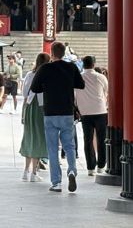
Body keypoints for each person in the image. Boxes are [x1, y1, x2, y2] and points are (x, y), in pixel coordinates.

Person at [30, 40, 85, 193]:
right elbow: (81, 85)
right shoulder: (71, 67)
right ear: (64, 53)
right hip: (67, 111)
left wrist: (47, 86)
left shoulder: (45, 68)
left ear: (52, 53)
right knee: (69, 146)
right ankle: (72, 170)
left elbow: (35, 88)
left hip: (50, 112)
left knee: (52, 148)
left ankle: (56, 183)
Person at [75, 55, 109, 176]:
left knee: (88, 140)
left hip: (85, 112)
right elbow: (107, 91)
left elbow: (74, 95)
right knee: (102, 139)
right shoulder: (100, 77)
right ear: (94, 64)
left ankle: (90, 167)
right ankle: (101, 166)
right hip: (100, 111)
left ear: (83, 64)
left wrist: (78, 107)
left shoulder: (78, 77)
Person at [19, 51, 50, 181]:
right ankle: (34, 173)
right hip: (42, 107)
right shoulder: (48, 75)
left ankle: (26, 171)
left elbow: (25, 93)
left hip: (30, 105)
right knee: (39, 138)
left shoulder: (29, 74)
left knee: (29, 137)